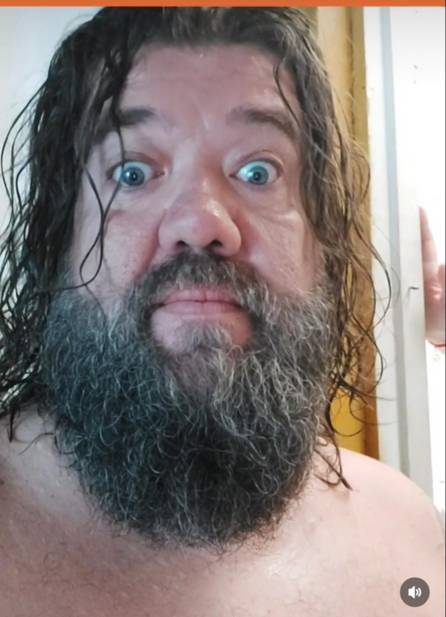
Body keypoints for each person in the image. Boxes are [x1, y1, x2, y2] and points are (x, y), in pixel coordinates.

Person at [0, 8, 444, 617]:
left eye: (258, 171)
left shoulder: (408, 536)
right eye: (133, 172)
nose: (202, 222)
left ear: (323, 247)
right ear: (56, 242)